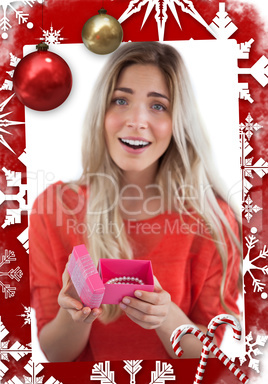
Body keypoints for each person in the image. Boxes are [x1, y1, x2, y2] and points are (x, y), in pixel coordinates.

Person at [29, 41, 242, 362]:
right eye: (120, 100)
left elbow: (209, 360)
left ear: (178, 122)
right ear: (101, 112)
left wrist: (165, 314)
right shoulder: (54, 208)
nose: (136, 120)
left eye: (158, 106)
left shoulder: (213, 220)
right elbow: (56, 355)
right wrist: (77, 314)